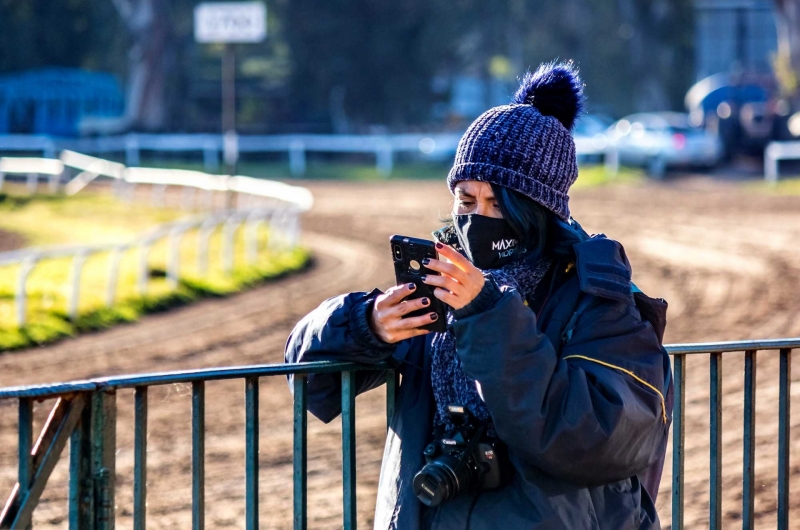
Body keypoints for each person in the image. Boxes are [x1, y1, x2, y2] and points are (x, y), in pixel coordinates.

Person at [285, 61, 673, 529]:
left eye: (498, 203)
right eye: (467, 202)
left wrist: (487, 313)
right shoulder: (439, 283)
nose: (478, 218)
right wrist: (364, 327)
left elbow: (596, 438)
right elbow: (310, 381)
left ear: (538, 210)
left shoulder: (598, 298)